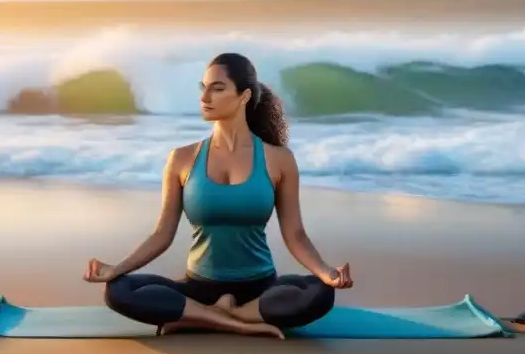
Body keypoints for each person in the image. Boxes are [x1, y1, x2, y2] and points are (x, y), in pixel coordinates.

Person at [83, 52, 353, 338]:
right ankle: (234, 321)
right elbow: (162, 234)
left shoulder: (279, 159)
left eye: (218, 88)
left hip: (259, 290)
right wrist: (116, 268)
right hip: (198, 288)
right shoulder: (182, 159)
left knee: (320, 292)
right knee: (118, 290)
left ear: (244, 96)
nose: (205, 97)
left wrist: (326, 272)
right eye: (204, 88)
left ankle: (202, 317)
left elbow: (295, 234)